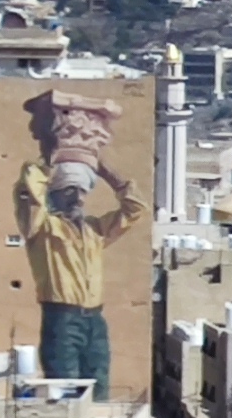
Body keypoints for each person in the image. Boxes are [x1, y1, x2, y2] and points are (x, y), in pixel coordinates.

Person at [10, 83, 144, 386]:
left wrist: (105, 171)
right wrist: (52, 160)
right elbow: (29, 193)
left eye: (81, 192)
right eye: (70, 192)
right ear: (55, 195)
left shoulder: (95, 231)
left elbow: (134, 210)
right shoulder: (42, 229)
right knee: (65, 386)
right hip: (62, 318)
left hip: (94, 319)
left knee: (98, 380)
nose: (77, 199)